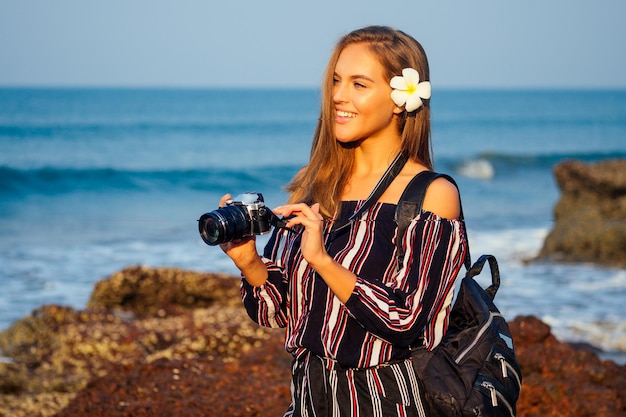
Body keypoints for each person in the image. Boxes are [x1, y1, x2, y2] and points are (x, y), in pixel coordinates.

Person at [218, 25, 468, 417]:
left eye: (359, 84)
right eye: (336, 81)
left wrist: (322, 261)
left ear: (401, 99)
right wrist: (249, 261)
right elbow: (277, 313)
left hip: (387, 401)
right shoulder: (314, 188)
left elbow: (406, 319)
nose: (338, 95)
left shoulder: (431, 195)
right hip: (308, 399)